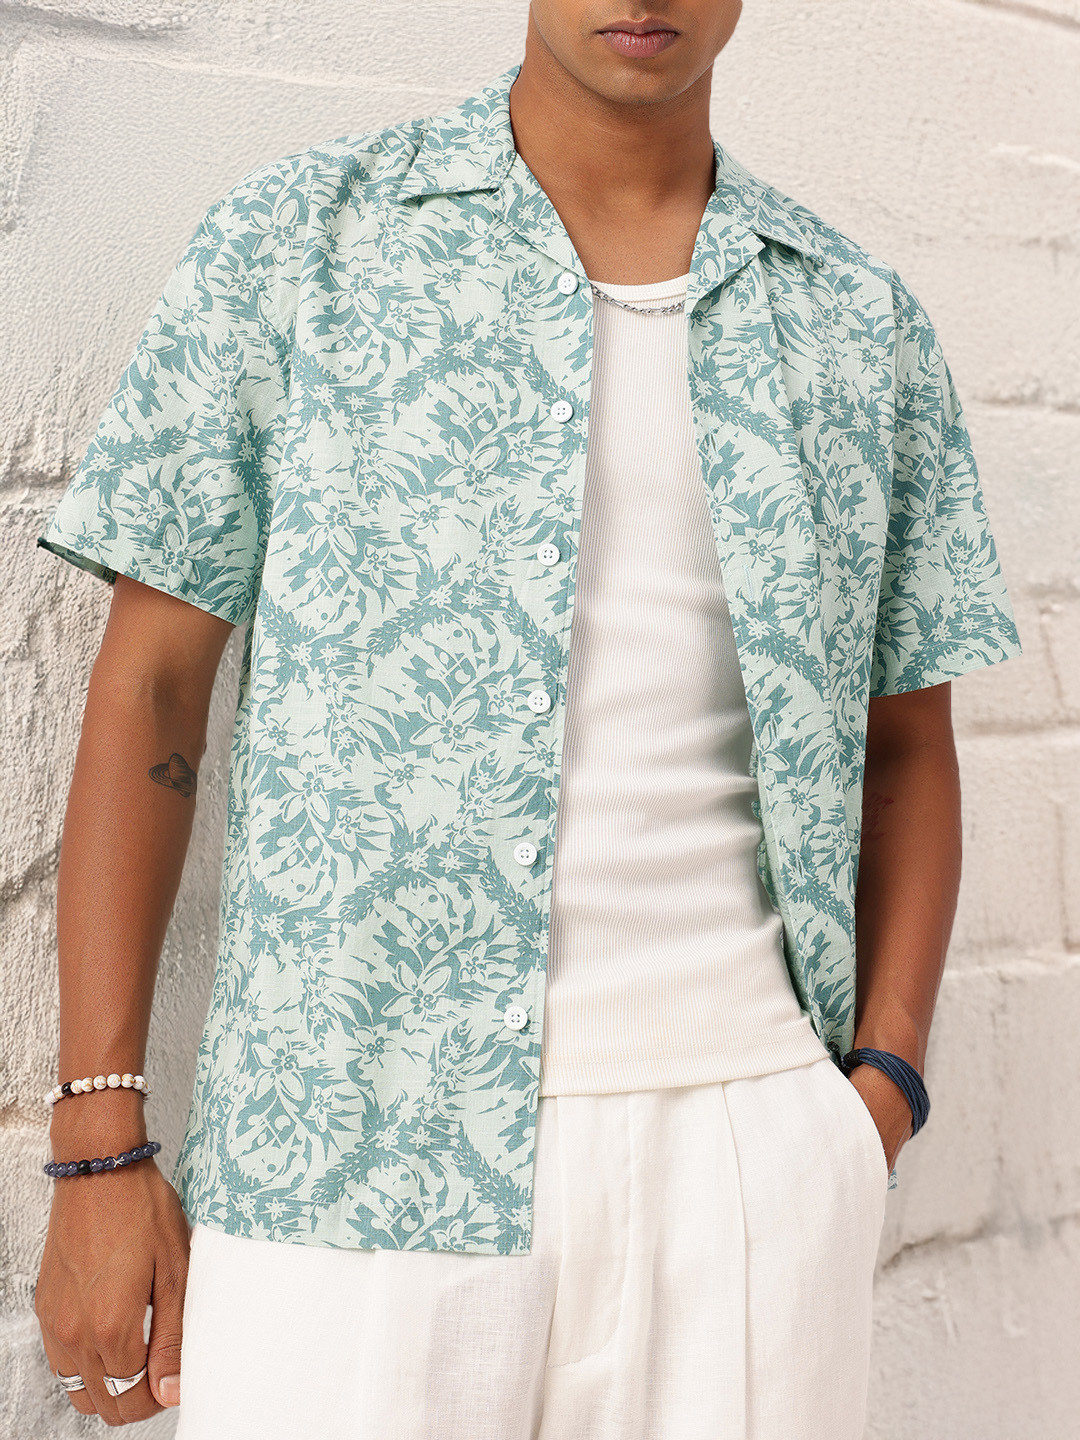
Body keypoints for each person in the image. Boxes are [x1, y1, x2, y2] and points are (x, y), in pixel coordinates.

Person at [32, 3, 1023, 1436]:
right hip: (345, 1163)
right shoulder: (302, 243)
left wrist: (882, 1089)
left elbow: (908, 745)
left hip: (748, 1162)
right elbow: (151, 688)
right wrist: (97, 1142)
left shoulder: (856, 320)